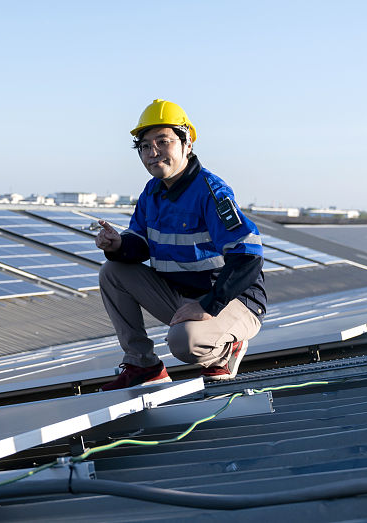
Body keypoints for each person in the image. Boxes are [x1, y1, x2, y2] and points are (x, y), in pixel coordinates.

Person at [97, 99, 266, 391]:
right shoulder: (152, 192)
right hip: (183, 300)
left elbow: (248, 256)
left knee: (183, 342)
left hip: (233, 301)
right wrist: (117, 245)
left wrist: (209, 304)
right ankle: (143, 365)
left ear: (187, 143)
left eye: (163, 142)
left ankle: (226, 352)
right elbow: (139, 245)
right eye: (145, 146)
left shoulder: (210, 191)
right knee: (112, 272)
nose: (153, 153)